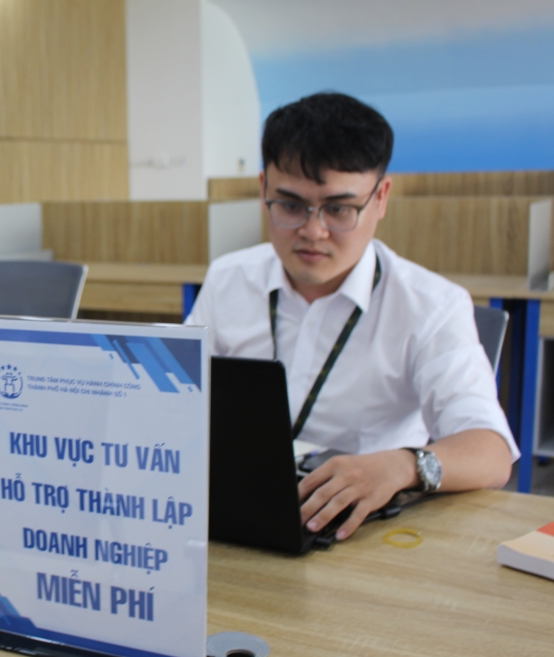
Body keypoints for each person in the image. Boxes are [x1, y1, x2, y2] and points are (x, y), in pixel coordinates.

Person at [186, 93, 516, 541]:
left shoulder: (431, 306)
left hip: (361, 529)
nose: (312, 231)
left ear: (381, 198)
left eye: (339, 209)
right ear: (264, 189)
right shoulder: (228, 280)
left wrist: (403, 465)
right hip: (237, 511)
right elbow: (176, 401)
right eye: (290, 205)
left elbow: (491, 451)